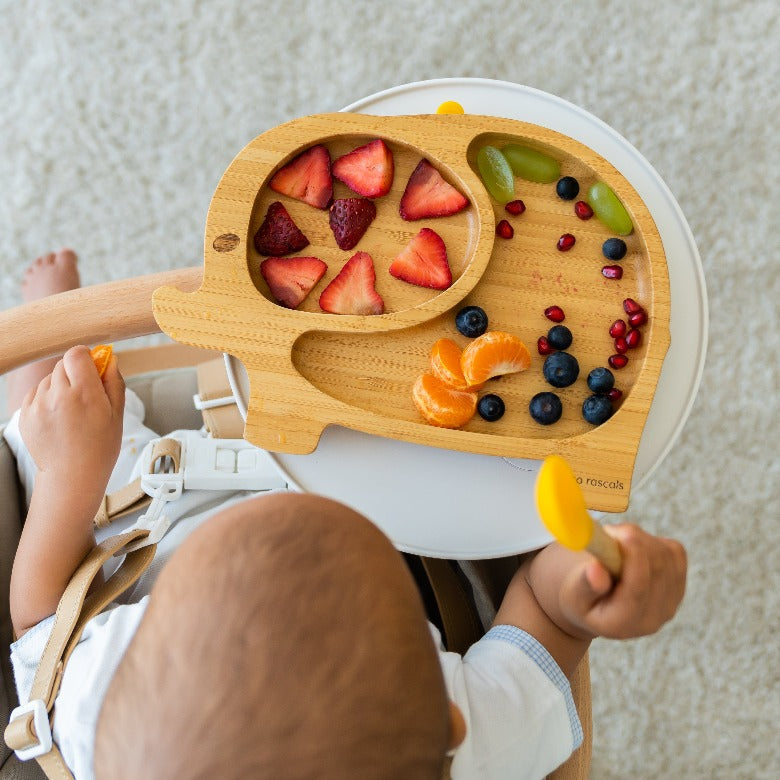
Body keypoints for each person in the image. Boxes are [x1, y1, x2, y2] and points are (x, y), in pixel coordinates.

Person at [4, 250, 687, 779]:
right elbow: (547, 605)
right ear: (451, 726)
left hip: (161, 517)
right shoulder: (482, 745)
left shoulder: (97, 710)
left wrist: (69, 477)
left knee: (59, 431)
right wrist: (594, 589)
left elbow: (42, 626)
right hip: (376, 510)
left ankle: (47, 355)